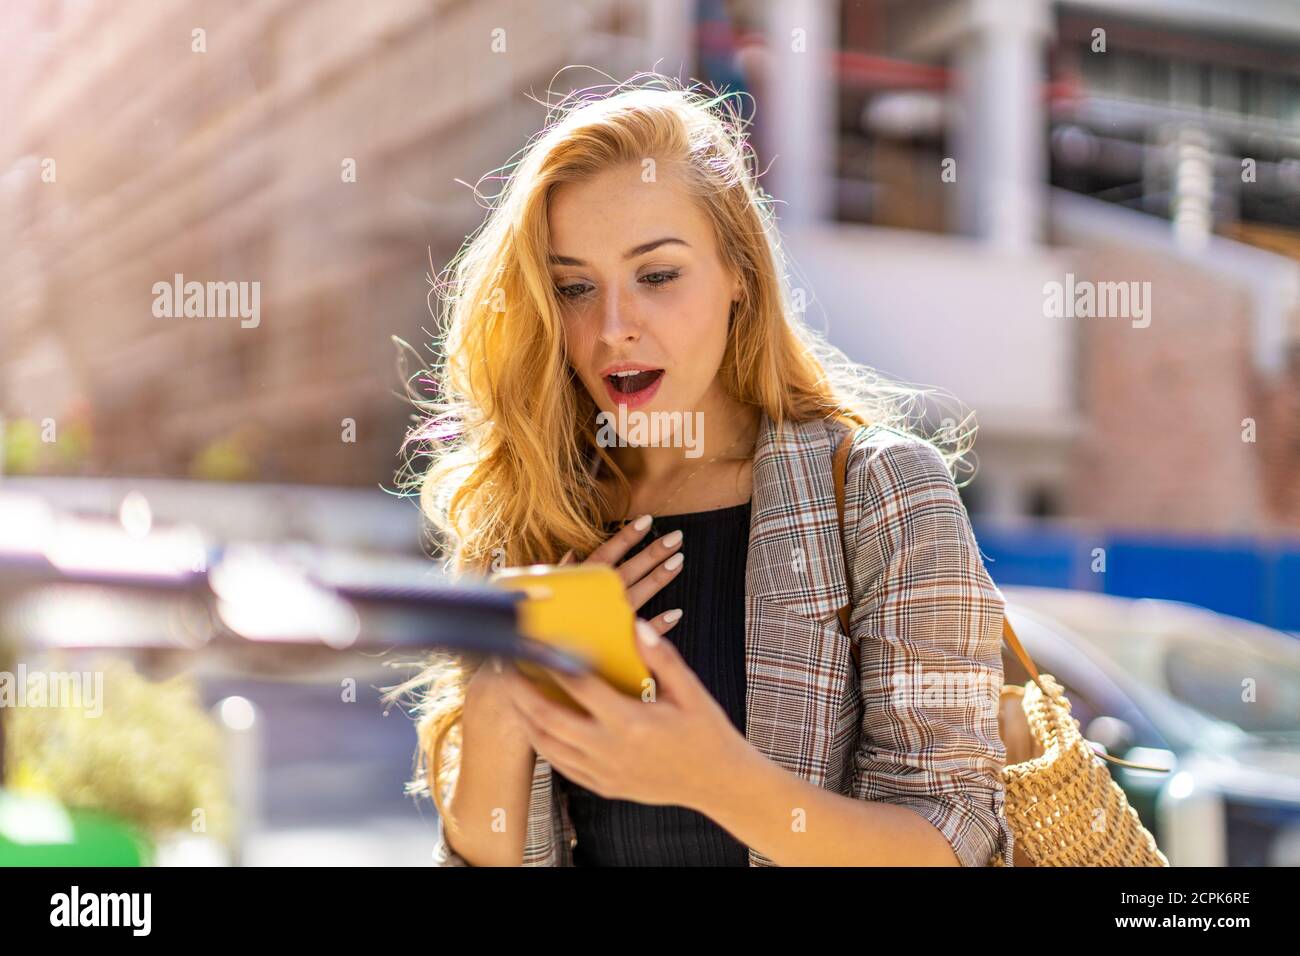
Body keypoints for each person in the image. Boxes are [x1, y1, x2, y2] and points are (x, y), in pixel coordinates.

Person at [395, 75, 1013, 867]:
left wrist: (714, 780)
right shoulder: (531, 509)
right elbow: (479, 854)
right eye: (575, 287)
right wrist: (502, 699)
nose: (614, 327)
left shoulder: (882, 491)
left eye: (656, 276)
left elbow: (954, 834)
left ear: (739, 277)